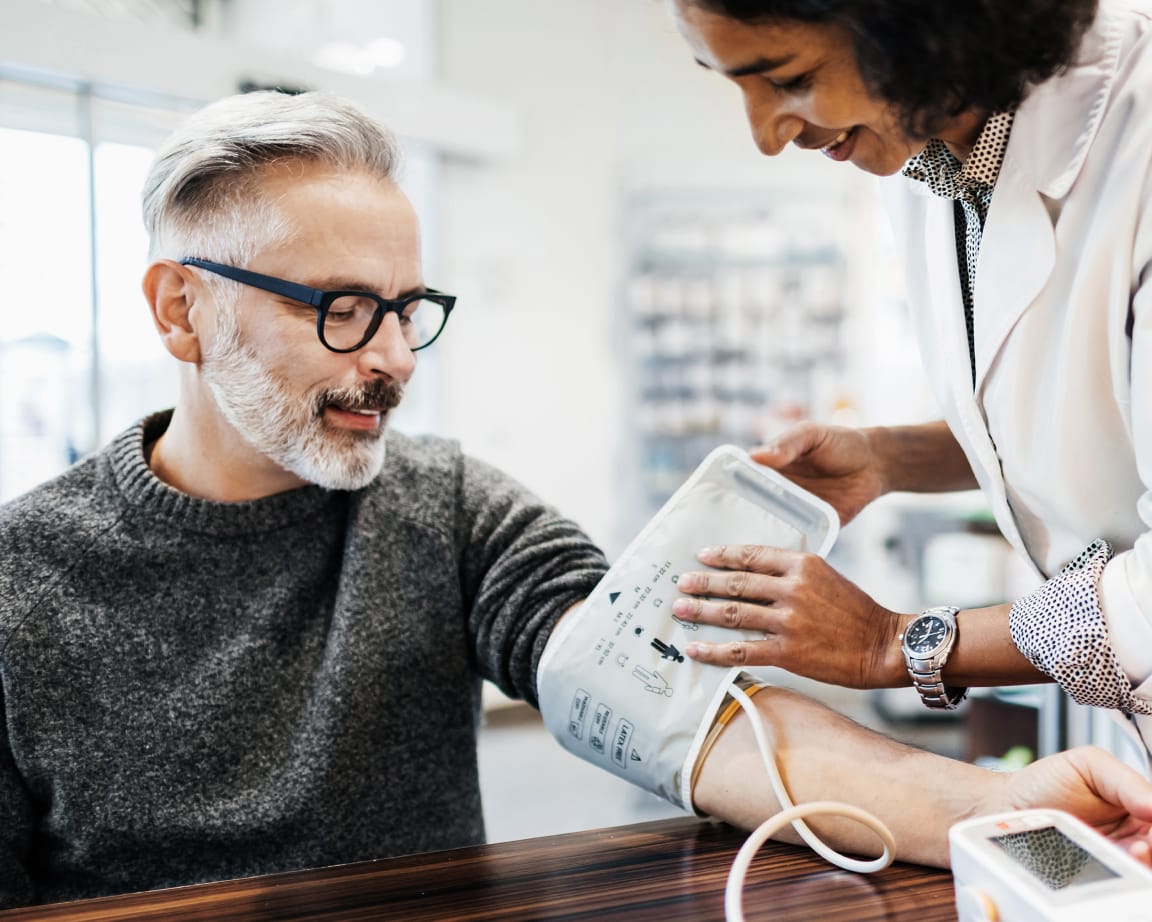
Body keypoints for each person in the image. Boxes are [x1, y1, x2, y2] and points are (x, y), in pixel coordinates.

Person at [0, 90, 1150, 909]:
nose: (396, 355)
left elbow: (680, 711)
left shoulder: (442, 507)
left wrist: (980, 806)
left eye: (410, 307)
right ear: (179, 311)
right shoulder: (22, 580)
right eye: (342, 307)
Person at [665, 0, 1152, 759]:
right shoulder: (924, 156)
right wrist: (891, 459)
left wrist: (896, 644)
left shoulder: (1140, 138)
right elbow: (1088, 410)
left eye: (790, 78)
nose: (767, 135)